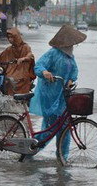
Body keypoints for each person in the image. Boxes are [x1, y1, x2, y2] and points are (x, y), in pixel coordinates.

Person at [29, 24, 87, 157]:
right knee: (51, 129)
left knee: (65, 127)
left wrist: (71, 79)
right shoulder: (53, 53)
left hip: (63, 96)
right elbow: (38, 66)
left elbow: (74, 71)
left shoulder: (70, 56)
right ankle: (30, 151)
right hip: (50, 96)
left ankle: (62, 158)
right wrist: (45, 72)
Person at [0, 27, 35, 95]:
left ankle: (14, 94)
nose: (10, 40)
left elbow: (30, 55)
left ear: (16, 37)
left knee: (12, 79)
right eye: (8, 38)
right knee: (6, 77)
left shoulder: (25, 47)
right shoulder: (9, 49)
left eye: (12, 37)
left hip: (21, 70)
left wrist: (23, 59)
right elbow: (0, 57)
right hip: (11, 69)